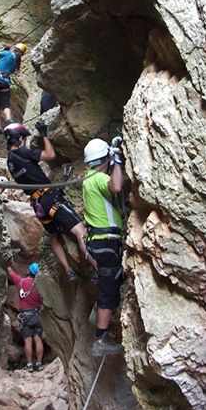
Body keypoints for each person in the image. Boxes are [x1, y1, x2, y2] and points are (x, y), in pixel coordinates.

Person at [4, 121, 96, 281]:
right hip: (50, 198)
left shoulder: (10, 162)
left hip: (37, 204)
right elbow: (50, 155)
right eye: (23, 138)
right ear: (19, 139)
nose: (24, 141)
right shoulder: (24, 152)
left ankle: (68, 271)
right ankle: (98, 269)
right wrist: (44, 134)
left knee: (54, 236)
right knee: (80, 232)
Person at [82, 136, 126, 357]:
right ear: (104, 159)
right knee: (109, 287)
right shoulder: (99, 178)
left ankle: (97, 313)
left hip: (97, 243)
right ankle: (101, 339)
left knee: (110, 280)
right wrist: (117, 160)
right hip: (106, 242)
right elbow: (116, 186)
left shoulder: (87, 179)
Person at [7, 262, 44, 372]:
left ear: (28, 271)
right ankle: (39, 363)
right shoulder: (39, 285)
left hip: (25, 316)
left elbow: (11, 272)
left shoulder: (21, 282)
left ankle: (29, 364)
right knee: (38, 340)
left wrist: (6, 261)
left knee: (27, 341)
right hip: (37, 314)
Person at [0, 43, 27, 133]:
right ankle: (8, 119)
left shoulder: (7, 53)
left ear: (14, 48)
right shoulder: (16, 63)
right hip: (5, 82)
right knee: (5, 104)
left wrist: (4, 50)